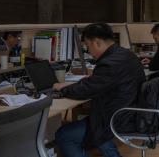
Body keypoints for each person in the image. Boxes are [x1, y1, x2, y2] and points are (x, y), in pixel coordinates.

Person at [53, 23, 145, 157]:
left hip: (117, 118)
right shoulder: (126, 55)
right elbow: (97, 83)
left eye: (88, 46)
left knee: (65, 135)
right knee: (94, 131)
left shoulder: (109, 63)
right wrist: (88, 81)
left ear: (97, 43)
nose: (88, 51)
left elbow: (86, 90)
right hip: (130, 111)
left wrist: (62, 88)